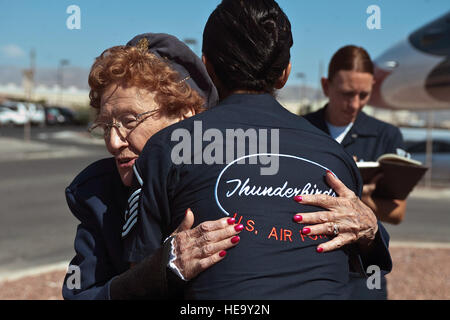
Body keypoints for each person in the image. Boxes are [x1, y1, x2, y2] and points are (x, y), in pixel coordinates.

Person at [123, 0, 391, 299]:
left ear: (208, 66)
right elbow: (358, 267)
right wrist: (372, 228)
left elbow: (138, 282)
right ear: (285, 73)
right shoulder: (336, 157)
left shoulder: (167, 149)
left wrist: (166, 263)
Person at [62, 33, 244, 300]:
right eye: (106, 125)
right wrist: (156, 273)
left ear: (185, 116)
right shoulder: (99, 196)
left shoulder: (234, 176)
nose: (113, 142)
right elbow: (81, 295)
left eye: (129, 120)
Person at [304, 45, 406, 299]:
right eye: (347, 94)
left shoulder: (386, 136)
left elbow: (398, 212)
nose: (355, 104)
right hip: (310, 262)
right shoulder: (302, 131)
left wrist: (363, 202)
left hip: (364, 270)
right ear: (326, 86)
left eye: (364, 95)